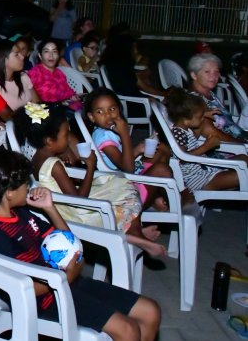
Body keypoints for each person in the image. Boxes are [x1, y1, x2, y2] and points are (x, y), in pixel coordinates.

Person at [0, 148, 161, 341]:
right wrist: (65, 276)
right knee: (127, 330)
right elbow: (13, 286)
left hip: (69, 283)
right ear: (9, 193)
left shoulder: (20, 213)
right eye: (24, 184)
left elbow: (69, 240)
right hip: (46, 300)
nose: (28, 187)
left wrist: (49, 207)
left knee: (150, 311)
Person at [15, 103, 167, 257]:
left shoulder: (36, 158)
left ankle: (135, 234)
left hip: (61, 205)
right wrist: (90, 166)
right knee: (126, 194)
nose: (68, 140)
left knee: (120, 185)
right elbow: (79, 198)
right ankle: (133, 236)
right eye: (65, 136)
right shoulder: (54, 165)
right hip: (76, 212)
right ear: (49, 141)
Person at [84, 88, 173, 211]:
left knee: (161, 149)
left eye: (112, 109)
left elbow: (121, 159)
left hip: (127, 175)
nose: (108, 115)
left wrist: (137, 149)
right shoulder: (104, 138)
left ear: (119, 110)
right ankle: (173, 203)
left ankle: (157, 197)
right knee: (161, 170)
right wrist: (125, 134)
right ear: (92, 117)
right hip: (124, 188)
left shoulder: (107, 131)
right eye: (100, 112)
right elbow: (127, 168)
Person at [165, 88, 247, 191]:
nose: (202, 119)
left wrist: (204, 114)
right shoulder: (178, 133)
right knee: (245, 175)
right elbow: (182, 157)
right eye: (200, 117)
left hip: (208, 171)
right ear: (186, 119)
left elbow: (191, 123)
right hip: (201, 180)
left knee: (243, 158)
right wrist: (206, 146)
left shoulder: (185, 128)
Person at [188, 53, 248, 143]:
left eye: (216, 71)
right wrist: (242, 143)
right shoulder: (194, 100)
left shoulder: (209, 94)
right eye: (207, 72)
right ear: (194, 75)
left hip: (240, 137)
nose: (213, 76)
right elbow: (210, 131)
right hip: (230, 148)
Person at [101, 33, 165, 98]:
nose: (136, 51)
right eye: (133, 47)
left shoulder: (116, 64)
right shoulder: (122, 68)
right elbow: (141, 88)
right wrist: (163, 95)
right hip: (132, 102)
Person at [27, 38, 82, 111]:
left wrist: (72, 98)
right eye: (46, 51)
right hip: (50, 113)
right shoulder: (34, 74)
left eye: (54, 51)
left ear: (58, 55)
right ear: (40, 56)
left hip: (70, 108)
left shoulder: (59, 73)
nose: (51, 55)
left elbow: (68, 93)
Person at [0, 39, 38, 111]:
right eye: (16, 54)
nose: (22, 57)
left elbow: (37, 103)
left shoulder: (23, 76)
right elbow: (7, 116)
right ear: (3, 59)